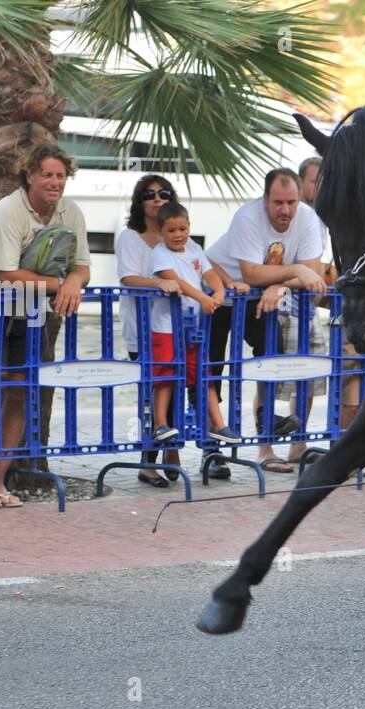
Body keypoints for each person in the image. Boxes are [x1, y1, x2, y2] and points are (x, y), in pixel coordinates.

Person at [0, 143, 91, 509]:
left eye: (60, 175)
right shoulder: (7, 212)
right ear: (30, 176)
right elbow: (6, 273)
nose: (55, 182)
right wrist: (63, 284)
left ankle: (1, 474)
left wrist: (74, 280)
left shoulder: (71, 212)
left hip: (34, 312)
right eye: (47, 175)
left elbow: (83, 266)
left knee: (21, 391)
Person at [205, 167, 326, 473]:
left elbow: (316, 273)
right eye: (278, 203)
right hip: (219, 291)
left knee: (269, 359)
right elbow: (252, 272)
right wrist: (295, 272)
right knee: (212, 369)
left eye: (291, 202)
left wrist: (282, 283)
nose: (285, 210)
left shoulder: (308, 218)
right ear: (265, 199)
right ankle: (212, 452)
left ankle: (273, 440)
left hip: (258, 295)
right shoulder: (248, 217)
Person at [115, 175, 222, 484]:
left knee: (179, 385)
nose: (157, 198)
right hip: (145, 327)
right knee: (154, 391)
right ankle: (148, 463)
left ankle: (173, 455)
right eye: (149, 194)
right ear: (139, 202)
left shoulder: (181, 241)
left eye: (164, 193)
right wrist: (159, 283)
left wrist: (222, 288)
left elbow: (205, 269)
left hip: (183, 327)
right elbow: (128, 278)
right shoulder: (130, 237)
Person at [150, 202, 242, 448]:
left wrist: (220, 291)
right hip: (168, 327)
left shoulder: (194, 248)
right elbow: (176, 281)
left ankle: (219, 425)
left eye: (182, 229)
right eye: (171, 231)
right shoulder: (159, 253)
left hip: (194, 327)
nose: (178, 235)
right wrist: (204, 298)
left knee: (204, 374)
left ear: (189, 227)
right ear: (161, 231)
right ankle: (160, 423)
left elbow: (209, 274)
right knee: (166, 374)